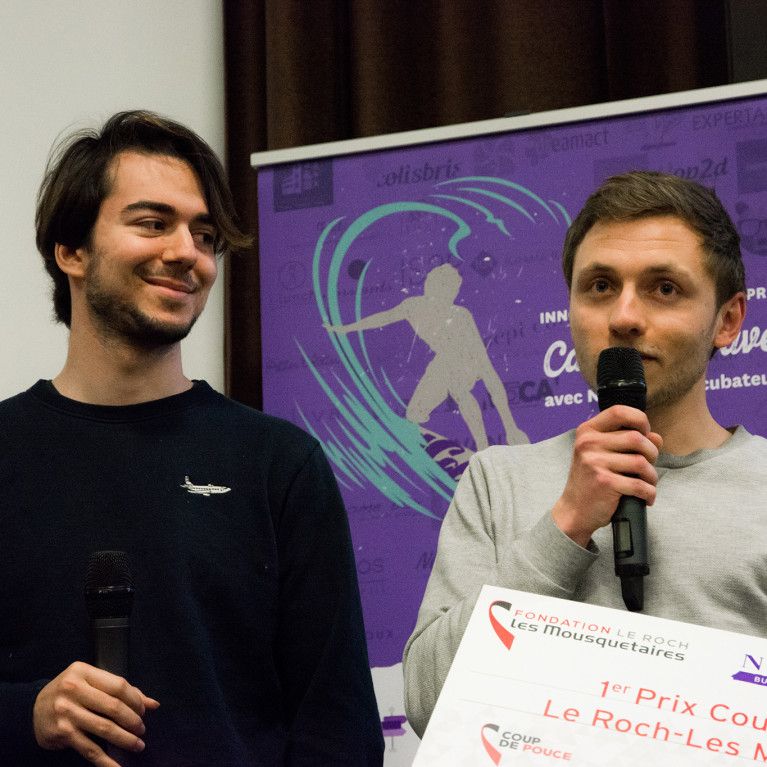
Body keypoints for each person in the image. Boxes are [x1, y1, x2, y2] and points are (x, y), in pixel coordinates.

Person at [0, 110, 384, 766]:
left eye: (204, 235)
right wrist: (26, 714)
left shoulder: (279, 465)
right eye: (153, 223)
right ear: (71, 251)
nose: (187, 253)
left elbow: (338, 728)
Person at [402, 170, 767, 738]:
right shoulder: (498, 481)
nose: (623, 317)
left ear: (728, 320)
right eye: (600, 286)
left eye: (664, 289)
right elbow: (429, 703)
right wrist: (565, 524)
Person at [324, 263, 529, 450]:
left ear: (452, 293)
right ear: (430, 286)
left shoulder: (461, 316)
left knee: (458, 388)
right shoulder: (413, 307)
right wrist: (346, 328)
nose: (442, 294)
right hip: (443, 362)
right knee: (414, 413)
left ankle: (482, 447)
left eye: (449, 290)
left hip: (466, 363)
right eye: (435, 285)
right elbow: (383, 318)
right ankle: (431, 448)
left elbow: (486, 368)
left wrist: (510, 427)